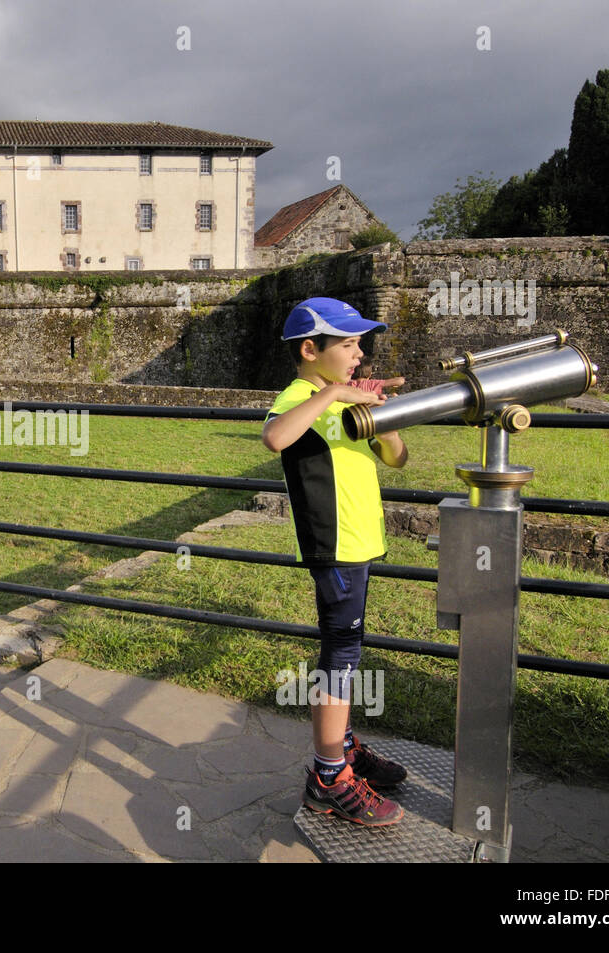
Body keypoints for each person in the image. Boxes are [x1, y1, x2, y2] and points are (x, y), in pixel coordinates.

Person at [261, 297, 410, 827]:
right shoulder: (301, 395)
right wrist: (333, 393)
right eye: (347, 343)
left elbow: (396, 457)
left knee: (348, 647)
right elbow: (276, 436)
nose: (359, 352)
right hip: (333, 544)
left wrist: (378, 413)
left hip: (361, 540)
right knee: (340, 654)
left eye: (358, 342)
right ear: (310, 350)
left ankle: (343, 748)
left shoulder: (344, 401)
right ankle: (329, 774)